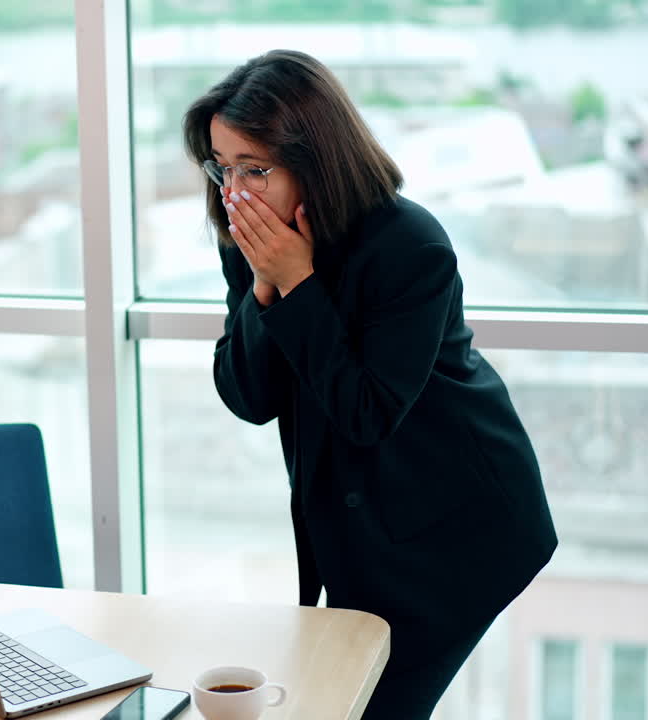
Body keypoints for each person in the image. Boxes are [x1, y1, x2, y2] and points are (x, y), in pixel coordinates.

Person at [185, 49, 558, 719]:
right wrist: (266, 286)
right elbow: (248, 396)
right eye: (223, 168)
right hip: (359, 525)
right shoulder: (250, 240)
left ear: (314, 158)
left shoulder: (410, 247)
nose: (233, 193)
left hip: (457, 530)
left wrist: (298, 283)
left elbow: (366, 412)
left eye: (254, 169)